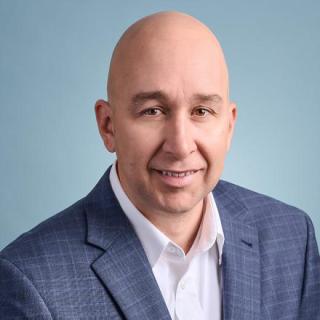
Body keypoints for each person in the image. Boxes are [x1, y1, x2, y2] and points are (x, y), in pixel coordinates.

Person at [0, 11, 319, 320]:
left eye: (202, 111)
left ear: (229, 126)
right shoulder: (30, 282)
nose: (180, 146)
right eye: (152, 111)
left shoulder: (292, 240)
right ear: (108, 126)